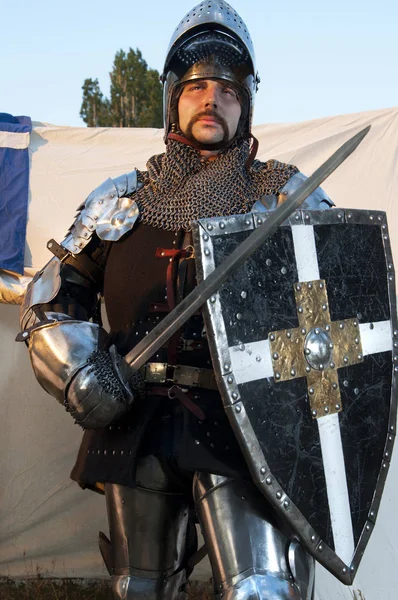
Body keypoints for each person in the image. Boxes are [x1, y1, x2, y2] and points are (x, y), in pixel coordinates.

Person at [18, 2, 333, 599]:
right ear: (173, 99)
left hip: (247, 424)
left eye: (228, 89)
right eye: (197, 87)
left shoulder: (285, 197)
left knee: (260, 589)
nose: (213, 98)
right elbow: (50, 298)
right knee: (138, 588)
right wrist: (79, 371)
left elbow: (336, 307)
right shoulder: (123, 199)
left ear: (247, 103)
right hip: (133, 419)